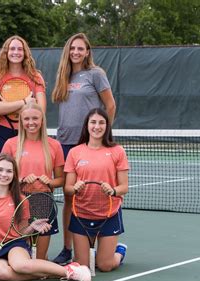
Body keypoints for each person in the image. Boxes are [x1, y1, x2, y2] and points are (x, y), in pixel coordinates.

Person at [0, 154, 91, 281]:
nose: (4, 174)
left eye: (9, 171)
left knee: (19, 265)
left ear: (14, 175)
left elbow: (21, 232)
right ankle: (48, 274)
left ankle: (70, 271)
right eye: (0, 170)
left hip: (15, 245)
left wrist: (32, 227)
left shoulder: (21, 200)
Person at [51, 33, 117, 265]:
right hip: (64, 143)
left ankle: (106, 244)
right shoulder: (63, 76)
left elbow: (109, 105)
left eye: (81, 49)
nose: (76, 52)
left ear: (87, 51)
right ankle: (67, 249)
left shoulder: (96, 75)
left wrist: (101, 136)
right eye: (72, 48)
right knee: (70, 197)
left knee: (94, 196)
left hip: (87, 145)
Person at [64, 108, 128, 272]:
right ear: (87, 125)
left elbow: (124, 187)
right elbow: (68, 188)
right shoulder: (74, 152)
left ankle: (119, 252)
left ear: (107, 126)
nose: (97, 126)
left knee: (105, 266)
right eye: (93, 122)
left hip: (109, 213)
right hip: (81, 214)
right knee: (83, 266)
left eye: (101, 122)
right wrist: (75, 188)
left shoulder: (117, 151)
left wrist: (113, 190)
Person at [1, 103, 64, 260]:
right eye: (26, 119)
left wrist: (49, 181)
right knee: (24, 257)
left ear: (42, 120)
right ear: (21, 121)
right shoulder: (10, 144)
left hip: (44, 203)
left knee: (39, 259)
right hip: (18, 202)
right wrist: (20, 180)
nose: (31, 122)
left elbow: (61, 180)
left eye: (35, 118)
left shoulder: (54, 145)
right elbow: (0, 176)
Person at [0, 35, 46, 157]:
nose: (16, 52)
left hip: (27, 131)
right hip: (1, 130)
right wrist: (25, 102)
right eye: (12, 49)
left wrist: (6, 106)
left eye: (20, 49)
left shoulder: (35, 77)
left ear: (25, 53)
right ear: (6, 52)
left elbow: (41, 111)